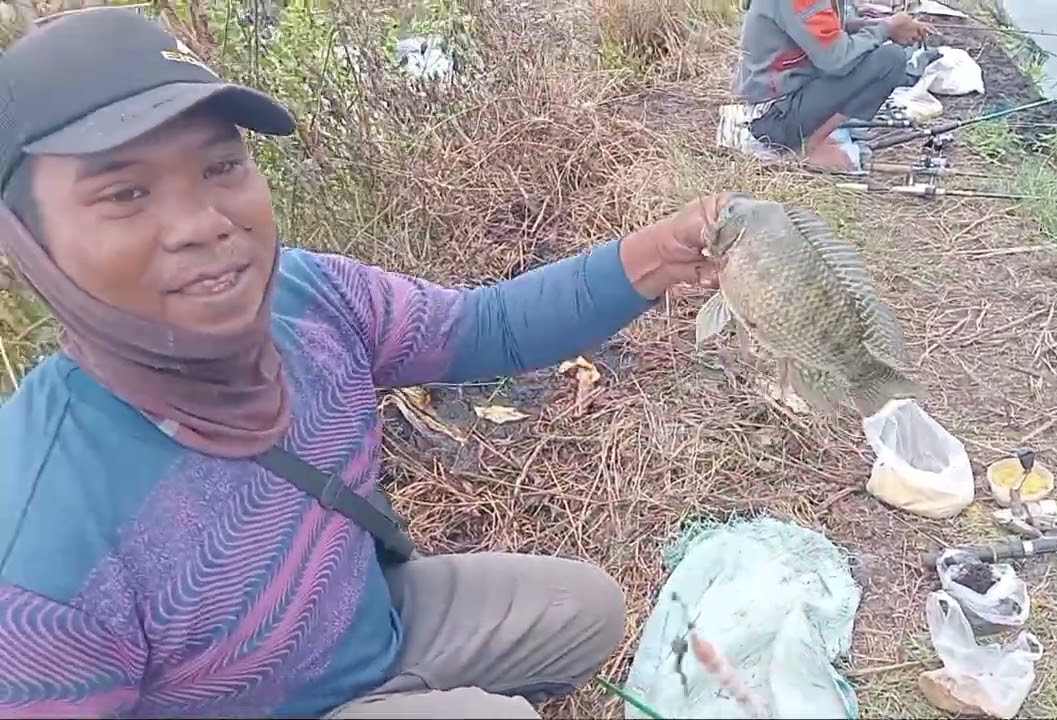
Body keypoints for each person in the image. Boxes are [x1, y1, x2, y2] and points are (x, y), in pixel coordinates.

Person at [0, 8, 723, 719]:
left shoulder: (310, 299)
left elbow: (488, 327)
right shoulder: (36, 547)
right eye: (126, 194)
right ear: (27, 240)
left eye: (221, 166)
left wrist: (661, 255)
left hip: (371, 636)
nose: (202, 223)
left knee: (586, 609)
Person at [735, 2, 931, 170]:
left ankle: (811, 141)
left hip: (780, 103)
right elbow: (837, 59)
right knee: (889, 60)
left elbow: (825, 30)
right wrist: (886, 29)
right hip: (772, 119)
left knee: (881, 55)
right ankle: (805, 148)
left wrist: (877, 25)